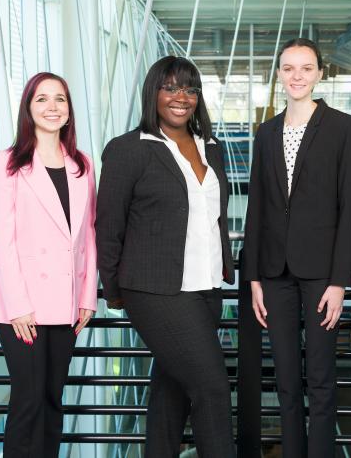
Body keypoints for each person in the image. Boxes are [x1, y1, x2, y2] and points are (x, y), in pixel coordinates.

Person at [95, 56, 236, 458]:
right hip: (155, 291)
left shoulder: (212, 148)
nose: (181, 97)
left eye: (190, 89)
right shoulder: (128, 150)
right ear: (152, 91)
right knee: (211, 388)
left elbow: (214, 218)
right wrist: (116, 291)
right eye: (171, 87)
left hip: (206, 288)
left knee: (171, 391)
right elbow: (108, 227)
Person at [242, 38, 351, 458]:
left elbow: (350, 208)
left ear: (319, 74)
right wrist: (254, 276)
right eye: (289, 68)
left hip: (320, 275)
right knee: (287, 382)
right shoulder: (266, 131)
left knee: (322, 380)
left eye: (306, 68)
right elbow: (256, 206)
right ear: (279, 74)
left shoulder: (344, 128)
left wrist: (340, 282)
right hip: (274, 273)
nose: (297, 76)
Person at [0, 72, 97, 457]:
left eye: (60, 99)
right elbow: (4, 239)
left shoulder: (82, 165)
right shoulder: (9, 162)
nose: (52, 107)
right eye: (42, 99)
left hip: (67, 305)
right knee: (28, 402)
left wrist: (88, 297)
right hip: (25, 308)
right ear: (29, 109)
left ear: (69, 111)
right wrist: (18, 305)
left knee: (53, 401)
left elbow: (89, 238)